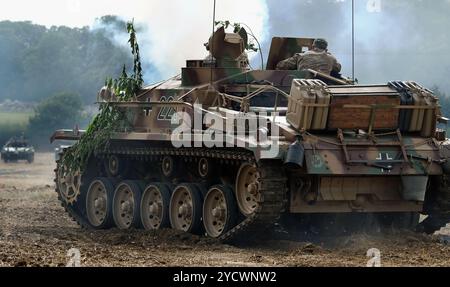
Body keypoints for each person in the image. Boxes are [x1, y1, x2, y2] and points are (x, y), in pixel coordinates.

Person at [276, 38, 341, 75]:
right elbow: (338, 68)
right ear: (325, 48)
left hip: (302, 86)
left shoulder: (301, 55)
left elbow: (281, 65)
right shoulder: (331, 58)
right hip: (323, 87)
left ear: (313, 46)